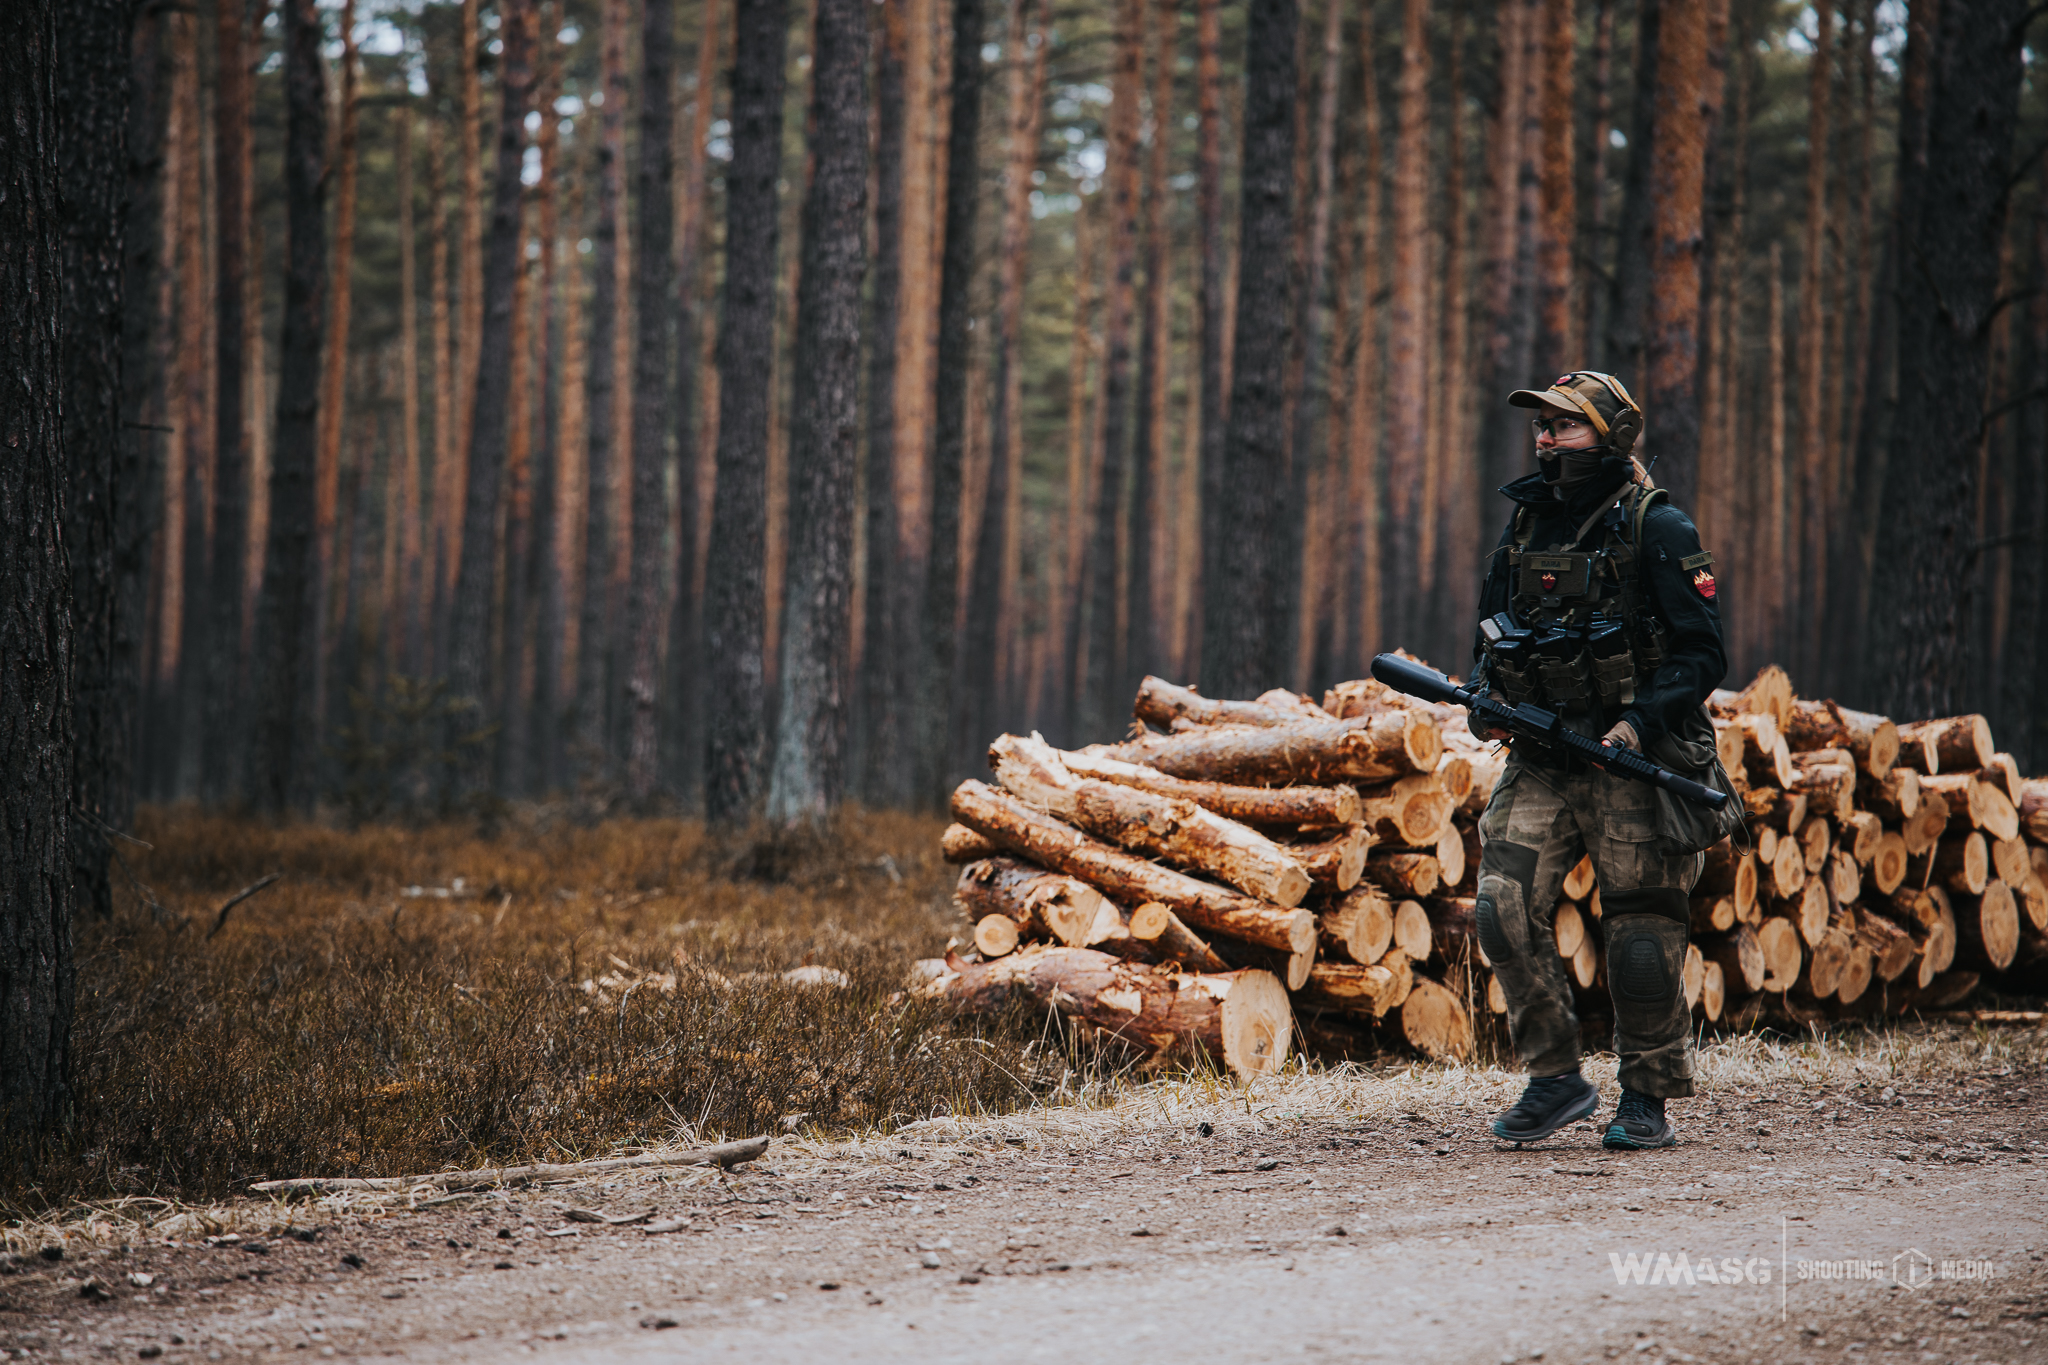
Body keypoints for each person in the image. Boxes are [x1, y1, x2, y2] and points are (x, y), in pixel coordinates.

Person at [1465, 371, 1726, 1151]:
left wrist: (1637, 725)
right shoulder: (1524, 524)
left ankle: (1646, 1096)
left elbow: (1701, 652)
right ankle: (1555, 1078)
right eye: (1541, 426)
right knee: (1501, 903)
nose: (1545, 439)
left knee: (1642, 932)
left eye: (1564, 426)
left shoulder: (1660, 526)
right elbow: (1488, 627)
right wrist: (1485, 694)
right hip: (1545, 752)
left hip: (1632, 758)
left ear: (1609, 437)